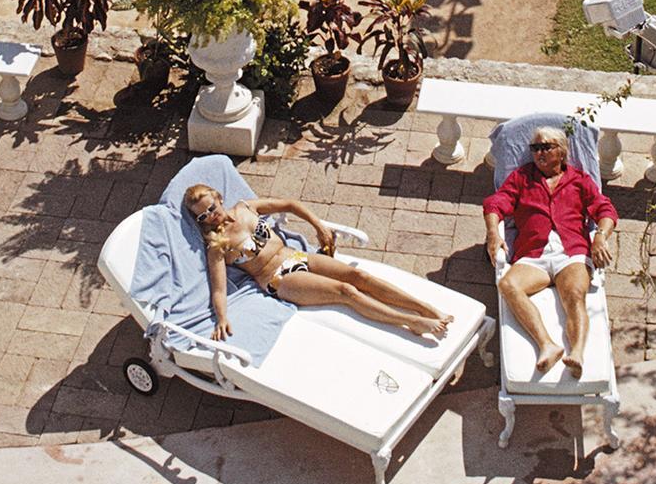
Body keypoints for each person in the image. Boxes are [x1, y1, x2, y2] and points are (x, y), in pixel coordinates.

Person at [184, 185, 452, 340]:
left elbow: (289, 204)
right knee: (347, 292)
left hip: (297, 257)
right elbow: (218, 288)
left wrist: (318, 225)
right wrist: (221, 318)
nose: (211, 216)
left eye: (212, 208)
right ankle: (409, 321)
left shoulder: (246, 208)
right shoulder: (217, 246)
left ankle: (424, 308)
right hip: (279, 279)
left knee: (360, 277)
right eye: (203, 216)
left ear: (219, 198)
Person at [483, 126, 616, 379]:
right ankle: (547, 344)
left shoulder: (579, 180)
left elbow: (605, 210)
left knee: (574, 295)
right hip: (534, 253)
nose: (539, 153)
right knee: (509, 284)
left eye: (546, 147)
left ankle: (576, 353)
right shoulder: (522, 177)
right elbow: (495, 203)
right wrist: (493, 233)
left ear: (562, 152)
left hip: (572, 251)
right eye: (535, 148)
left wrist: (599, 236)